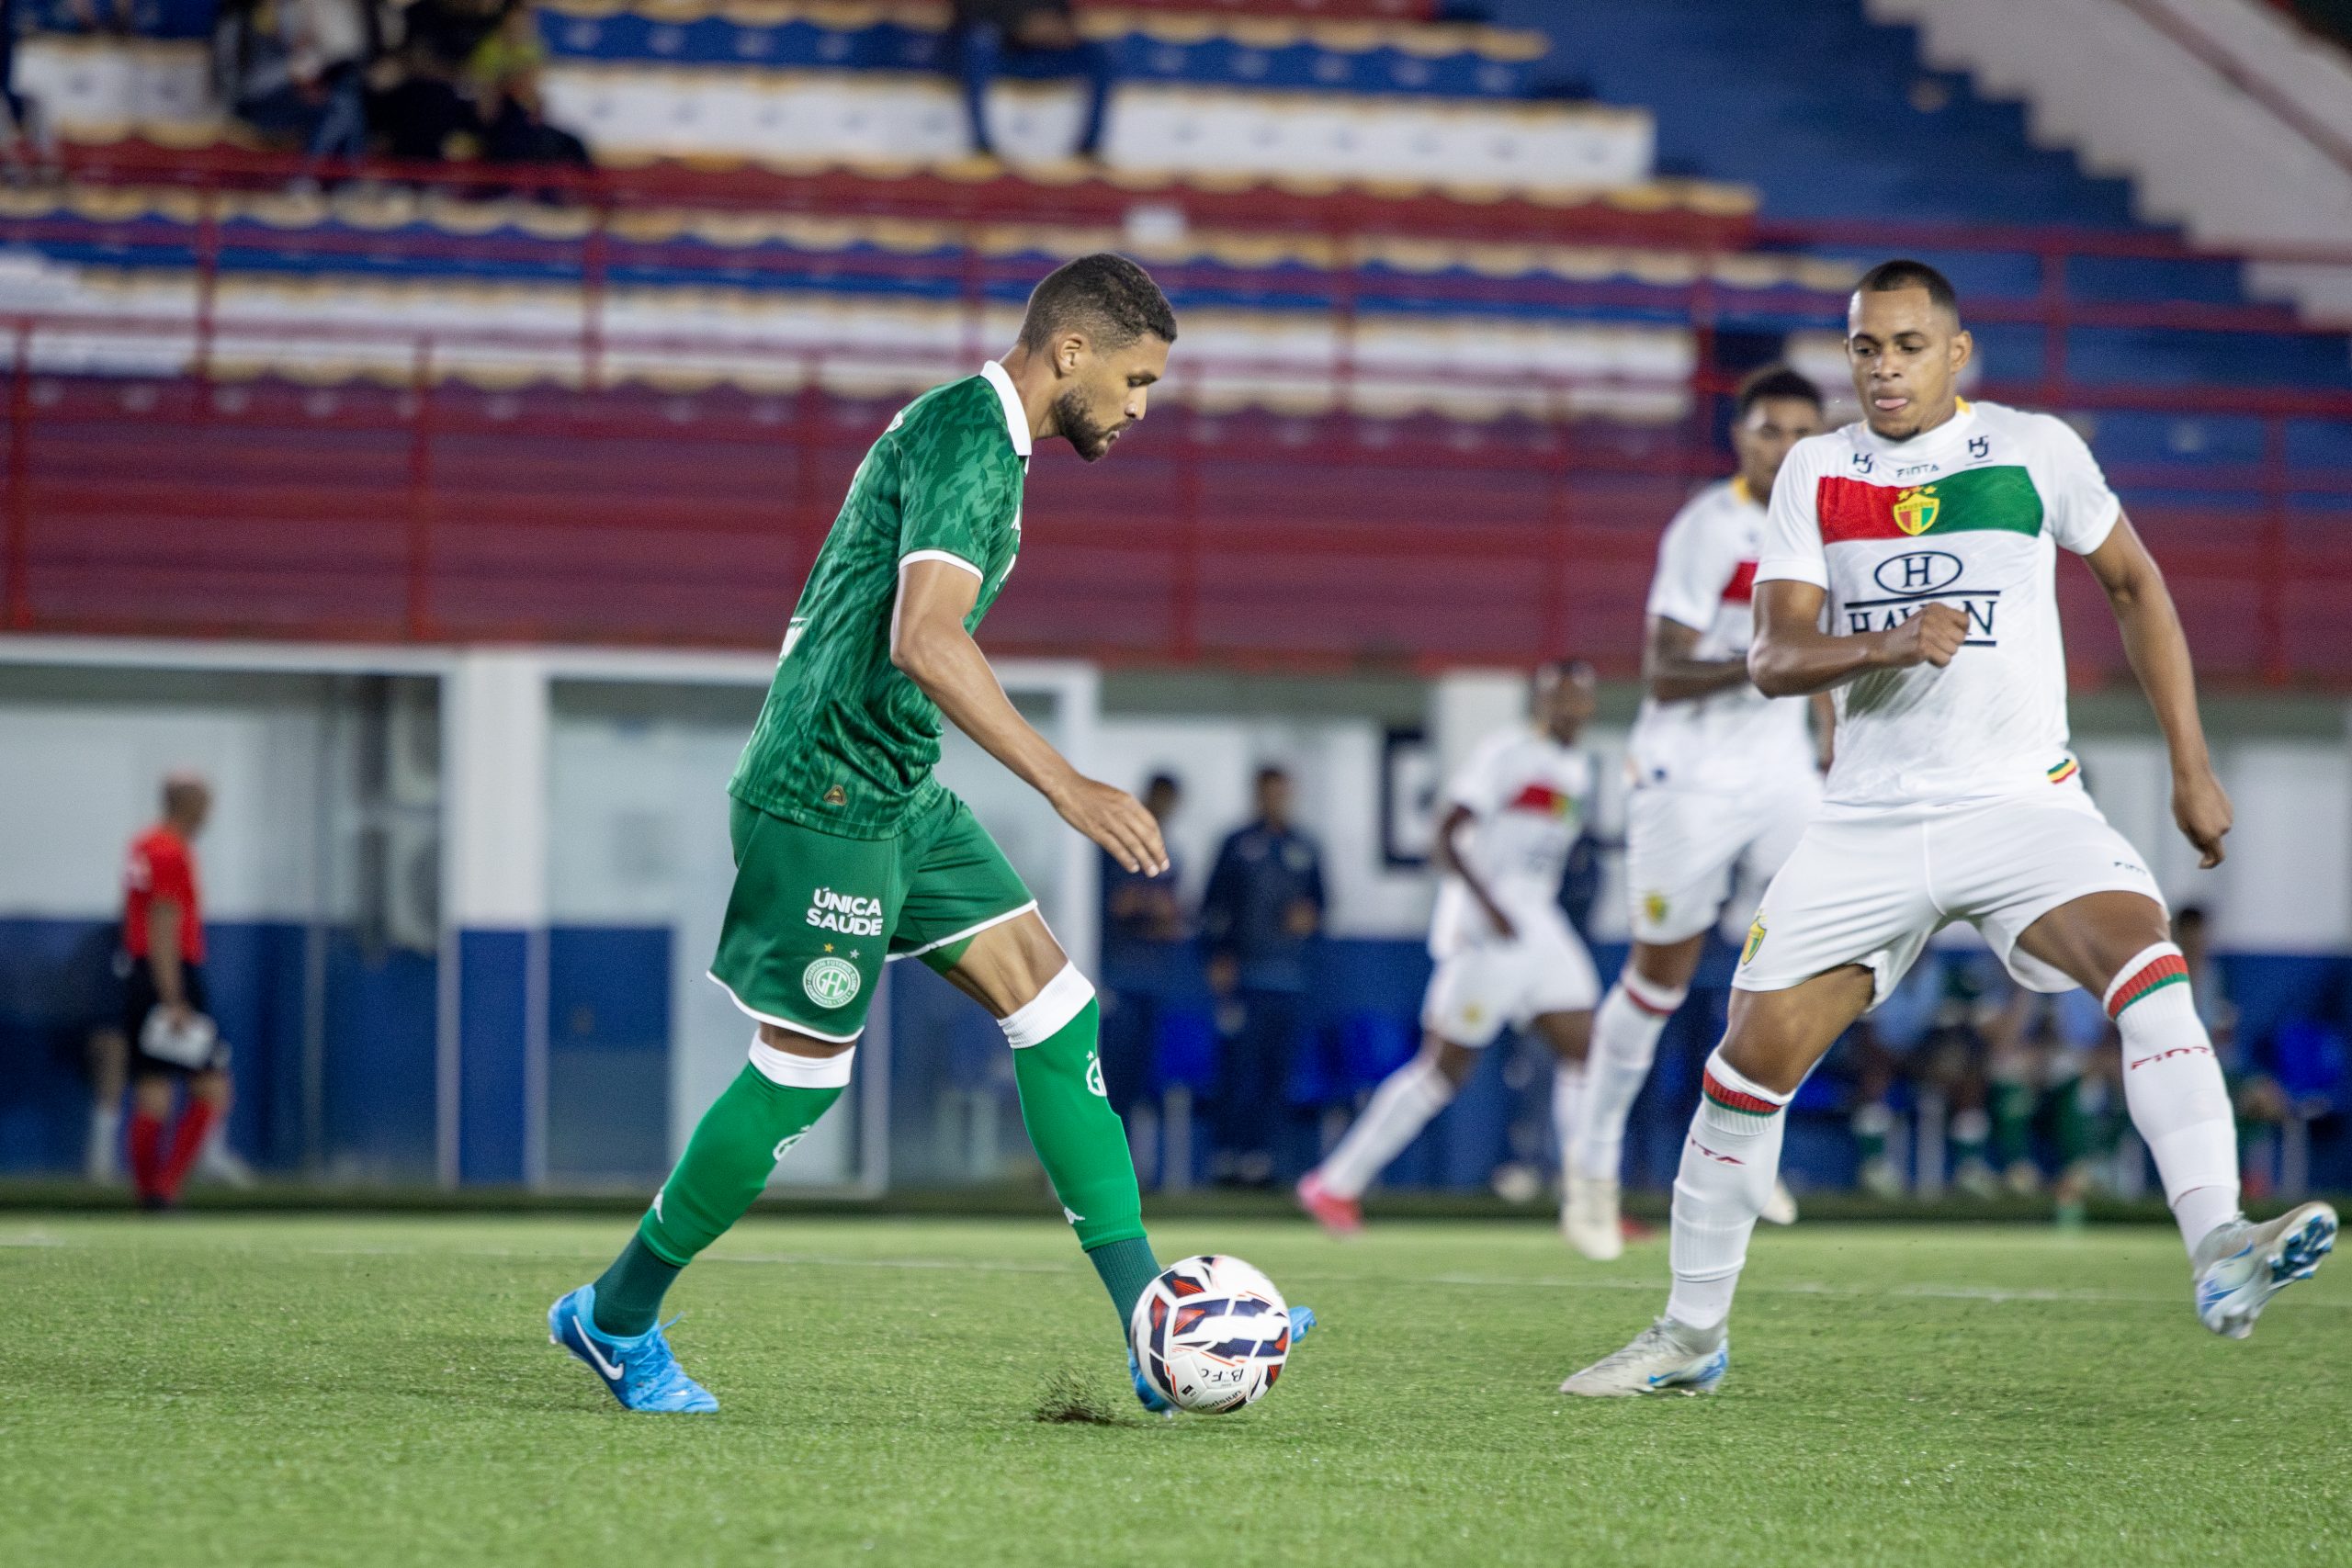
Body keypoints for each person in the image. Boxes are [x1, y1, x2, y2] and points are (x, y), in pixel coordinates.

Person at [548, 254, 1310, 1415]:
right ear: (1071, 353)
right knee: (801, 1074)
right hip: (826, 793)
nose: (1140, 407)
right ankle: (613, 1317)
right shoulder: (966, 435)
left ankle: (1151, 1324)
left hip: (897, 786)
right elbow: (925, 639)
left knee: (1056, 1009)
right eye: (1136, 380)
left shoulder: (986, 444)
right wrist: (1065, 786)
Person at [1563, 259, 2335, 1398]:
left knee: (2149, 968)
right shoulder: (1816, 470)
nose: (1883, 368)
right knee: (1746, 1068)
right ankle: (1689, 1336)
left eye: (1907, 346)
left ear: (1955, 352)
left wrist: (2190, 763)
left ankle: (2219, 1242)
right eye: (1865, 348)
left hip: (2022, 803)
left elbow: (2134, 585)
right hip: (1866, 821)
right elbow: (1772, 655)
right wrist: (1884, 643)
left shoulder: (2034, 450)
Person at [1565, 365, 1829, 1259]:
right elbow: (1663, 671)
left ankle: (1749, 1149)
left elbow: (1819, 654)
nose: (1784, 447)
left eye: (1801, 432)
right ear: (1740, 438)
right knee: (1657, 982)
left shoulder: (1828, 527)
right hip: (1688, 776)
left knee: (1812, 951)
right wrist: (1762, 662)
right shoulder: (1705, 528)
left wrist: (1829, 736)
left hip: (1780, 774)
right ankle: (1590, 1175)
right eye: (1768, 429)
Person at [1297, 661, 1601, 1233]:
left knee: (1588, 1049)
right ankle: (1334, 1184)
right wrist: (1487, 906)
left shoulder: (1577, 769)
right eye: (1556, 697)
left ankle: (1588, 1200)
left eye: (1577, 697)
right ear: (1539, 702)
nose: (1567, 707)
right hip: (1488, 929)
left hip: (1539, 922)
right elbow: (1445, 834)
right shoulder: (1507, 754)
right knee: (1442, 1071)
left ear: (1590, 705)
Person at [1199, 765, 1325, 1187]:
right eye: (1270, 792)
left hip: (1290, 980)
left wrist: (1309, 919)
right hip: (1245, 980)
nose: (1277, 800)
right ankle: (1227, 1157)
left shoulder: (1304, 847)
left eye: (1282, 792)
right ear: (1257, 794)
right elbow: (1213, 906)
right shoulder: (1236, 845)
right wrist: (1218, 958)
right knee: (1237, 1070)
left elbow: (1321, 905)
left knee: (1278, 1073)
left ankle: (1263, 1159)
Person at [119, 772, 234, 1211]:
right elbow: (163, 922)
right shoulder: (171, 851)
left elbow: (134, 914)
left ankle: (148, 1192)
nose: (209, 812)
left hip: (139, 973)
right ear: (187, 804)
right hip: (170, 974)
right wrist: (173, 999)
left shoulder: (144, 845)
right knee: (213, 1086)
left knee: (154, 1085)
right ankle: (165, 1188)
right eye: (205, 802)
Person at [1098, 772, 1187, 1134]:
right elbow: (1120, 904)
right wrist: (1153, 908)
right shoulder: (1117, 847)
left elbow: (1175, 918)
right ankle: (1107, 1148)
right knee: (1112, 1072)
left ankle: (1131, 1153)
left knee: (1141, 1075)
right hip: (1119, 974)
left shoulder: (1171, 853)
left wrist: (1154, 912)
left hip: (1155, 977)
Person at [949, 0, 1114, 164]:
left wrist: (1061, 23)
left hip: (1054, 44)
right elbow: (968, 10)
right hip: (1006, 46)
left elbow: (1062, 11)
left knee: (1100, 50)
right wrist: (1020, 25)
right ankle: (982, 144)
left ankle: (1089, 146)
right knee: (979, 42)